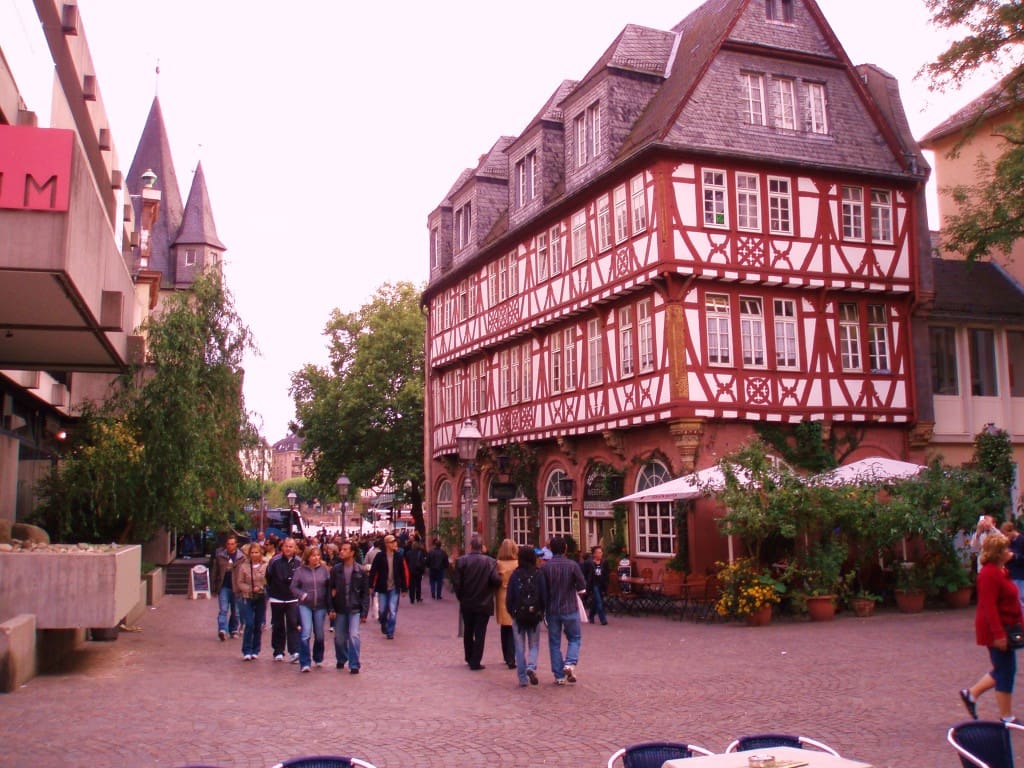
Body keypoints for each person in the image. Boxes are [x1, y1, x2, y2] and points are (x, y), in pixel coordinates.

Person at [960, 533, 1024, 723]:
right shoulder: (989, 574)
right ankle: (1006, 716)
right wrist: (998, 634)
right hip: (997, 630)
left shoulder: (1002, 571)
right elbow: (989, 608)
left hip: (1008, 626)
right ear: (997, 553)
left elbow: (1012, 602)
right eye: (1005, 549)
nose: (1009, 552)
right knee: (1005, 670)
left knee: (1005, 669)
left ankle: (971, 694)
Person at [541, 536, 586, 685]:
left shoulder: (545, 567)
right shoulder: (572, 565)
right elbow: (582, 587)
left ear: (550, 549)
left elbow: (543, 591)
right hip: (569, 607)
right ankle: (570, 663)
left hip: (552, 609)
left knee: (554, 642)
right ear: (565, 548)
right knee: (575, 638)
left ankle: (559, 676)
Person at [452, 533, 501, 671]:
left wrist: (461, 597)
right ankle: (476, 660)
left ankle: (469, 656)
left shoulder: (461, 561)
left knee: (468, 630)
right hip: (484, 603)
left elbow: (457, 583)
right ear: (482, 547)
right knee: (480, 632)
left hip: (467, 602)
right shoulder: (490, 562)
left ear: (470, 546)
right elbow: (496, 580)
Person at [506, 546, 547, 687]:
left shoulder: (515, 575)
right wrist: (542, 611)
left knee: (519, 647)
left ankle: (522, 678)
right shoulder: (538, 574)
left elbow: (509, 597)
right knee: (534, 645)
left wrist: (512, 612)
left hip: (519, 615)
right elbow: (543, 595)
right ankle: (531, 666)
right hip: (534, 614)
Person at [329, 540, 370, 674]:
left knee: (354, 636)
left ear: (352, 553)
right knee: (339, 638)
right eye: (341, 549)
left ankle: (354, 664)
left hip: (354, 608)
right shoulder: (336, 570)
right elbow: (331, 589)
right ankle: (342, 658)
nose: (342, 551)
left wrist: (364, 612)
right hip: (340, 608)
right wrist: (331, 608)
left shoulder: (360, 570)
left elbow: (365, 593)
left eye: (345, 549)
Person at [290, 545, 331, 672]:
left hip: (320, 605)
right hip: (305, 605)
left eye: (318, 555)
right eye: (313, 556)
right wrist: (302, 595)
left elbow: (329, 586)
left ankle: (318, 657)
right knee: (305, 633)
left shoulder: (324, 570)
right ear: (308, 557)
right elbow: (293, 587)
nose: (316, 558)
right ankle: (305, 662)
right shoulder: (300, 571)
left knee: (319, 634)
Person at [266, 537, 302, 663]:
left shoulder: (299, 562)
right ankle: (278, 651)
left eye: (291, 547)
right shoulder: (274, 561)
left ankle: (294, 651)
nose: (288, 549)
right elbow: (268, 577)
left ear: (295, 548)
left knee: (293, 623)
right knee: (278, 625)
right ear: (282, 547)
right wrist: (274, 590)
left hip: (292, 598)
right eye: (286, 546)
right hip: (277, 598)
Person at [369, 534, 409, 640]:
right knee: (382, 611)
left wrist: (404, 588)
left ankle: (390, 631)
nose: (395, 543)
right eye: (393, 541)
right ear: (387, 544)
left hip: (394, 587)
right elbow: (373, 571)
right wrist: (370, 585)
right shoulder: (379, 556)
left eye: (395, 541)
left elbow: (402, 573)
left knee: (392, 610)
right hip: (382, 587)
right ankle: (384, 623)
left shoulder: (399, 556)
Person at [234, 542, 267, 660]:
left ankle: (255, 649)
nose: (254, 555)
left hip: (261, 597)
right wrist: (249, 589)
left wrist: (261, 587)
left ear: (260, 553)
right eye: (252, 552)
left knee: (258, 624)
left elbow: (268, 580)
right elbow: (240, 582)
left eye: (256, 552)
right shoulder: (244, 566)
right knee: (249, 623)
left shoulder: (266, 565)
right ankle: (246, 650)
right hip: (247, 597)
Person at [212, 535, 244, 641]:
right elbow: (215, 572)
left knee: (236, 611)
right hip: (224, 587)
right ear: (226, 545)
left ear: (236, 544)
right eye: (228, 544)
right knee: (223, 609)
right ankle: (222, 630)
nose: (230, 546)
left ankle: (233, 629)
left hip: (237, 587)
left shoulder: (242, 557)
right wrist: (214, 587)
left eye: (232, 544)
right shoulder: (220, 556)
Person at [495, 538, 519, 669]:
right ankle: (512, 656)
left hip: (502, 595)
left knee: (504, 627)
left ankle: (506, 655)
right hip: (513, 595)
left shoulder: (498, 563)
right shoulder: (517, 563)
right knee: (513, 626)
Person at [582, 545, 610, 625]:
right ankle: (603, 619)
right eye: (598, 552)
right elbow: (584, 574)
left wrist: (607, 583)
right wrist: (585, 584)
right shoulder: (588, 563)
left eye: (601, 552)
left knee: (596, 601)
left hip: (601, 584)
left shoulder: (604, 562)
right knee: (599, 602)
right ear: (594, 554)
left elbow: (606, 573)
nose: (600, 554)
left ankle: (591, 615)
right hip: (593, 584)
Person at [1003, 521, 1024, 613]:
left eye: (1006, 534)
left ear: (1011, 531)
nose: (1006, 537)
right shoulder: (1009, 542)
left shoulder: (1022, 540)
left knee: (1020, 600)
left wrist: (1014, 556)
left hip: (1019, 574)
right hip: (1011, 573)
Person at [405, 536, 427, 604]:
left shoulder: (408, 553)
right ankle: (418, 597)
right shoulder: (420, 552)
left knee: (411, 585)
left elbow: (406, 562)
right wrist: (423, 570)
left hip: (411, 571)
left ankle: (412, 599)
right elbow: (423, 562)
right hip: (418, 570)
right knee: (418, 584)